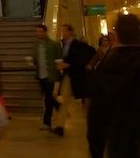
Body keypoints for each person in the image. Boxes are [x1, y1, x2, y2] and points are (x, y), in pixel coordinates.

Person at [88, 13, 140, 158]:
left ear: (116, 36)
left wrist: (96, 150)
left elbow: (96, 120)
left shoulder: (105, 69)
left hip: (120, 143)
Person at [50, 24, 93, 137]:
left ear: (70, 32)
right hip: (68, 76)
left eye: (64, 31)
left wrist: (68, 64)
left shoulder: (79, 45)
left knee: (87, 102)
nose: (63, 33)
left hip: (79, 77)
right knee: (64, 100)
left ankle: (93, 125)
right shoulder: (62, 44)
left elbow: (82, 60)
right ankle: (60, 126)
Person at [32, 24, 62, 130]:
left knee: (48, 98)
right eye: (37, 32)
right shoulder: (36, 45)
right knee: (47, 96)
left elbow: (59, 58)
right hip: (41, 75)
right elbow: (34, 58)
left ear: (45, 32)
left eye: (40, 31)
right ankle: (60, 108)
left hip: (50, 75)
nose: (38, 34)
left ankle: (47, 121)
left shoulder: (54, 44)